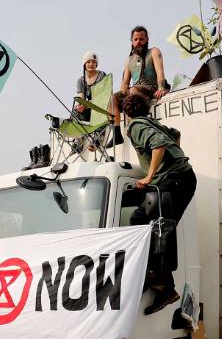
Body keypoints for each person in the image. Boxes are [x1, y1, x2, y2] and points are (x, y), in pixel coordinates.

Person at [121, 90, 197, 315]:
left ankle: (162, 284)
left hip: (174, 180)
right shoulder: (152, 122)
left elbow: (159, 143)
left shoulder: (135, 126)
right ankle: (153, 276)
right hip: (182, 178)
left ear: (127, 114)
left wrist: (149, 176)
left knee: (152, 225)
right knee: (148, 222)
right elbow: (175, 134)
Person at [75, 51, 108, 121]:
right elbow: (81, 99)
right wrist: (80, 106)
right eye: (88, 62)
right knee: (76, 111)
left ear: (96, 64)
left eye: (94, 62)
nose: (91, 64)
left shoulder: (102, 75)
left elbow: (102, 97)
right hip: (88, 108)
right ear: (84, 64)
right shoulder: (80, 80)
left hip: (100, 107)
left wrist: (86, 105)